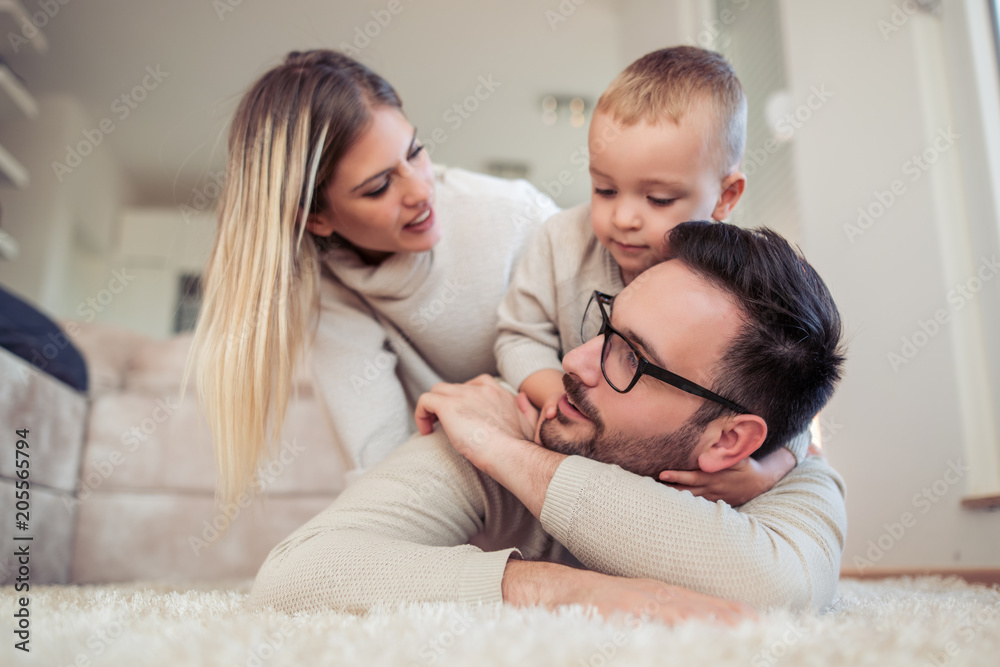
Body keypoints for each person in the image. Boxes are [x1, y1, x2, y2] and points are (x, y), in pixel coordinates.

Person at [249, 221, 848, 622]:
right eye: (605, 327)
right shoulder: (497, 421)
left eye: (630, 357)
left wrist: (511, 456)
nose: (573, 360)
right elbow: (295, 577)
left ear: (729, 440)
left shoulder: (787, 475)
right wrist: (561, 589)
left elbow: (778, 592)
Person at [189, 50, 558, 503]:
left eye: (416, 153)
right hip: (474, 497)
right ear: (318, 218)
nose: (423, 191)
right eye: (380, 186)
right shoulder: (328, 296)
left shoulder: (516, 215)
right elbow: (379, 472)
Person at [494, 47, 805, 507]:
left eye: (658, 199)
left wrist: (769, 469)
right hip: (578, 444)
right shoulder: (560, 240)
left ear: (726, 196)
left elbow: (792, 393)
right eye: (604, 189)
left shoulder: (734, 280)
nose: (622, 217)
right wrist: (560, 398)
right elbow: (517, 336)